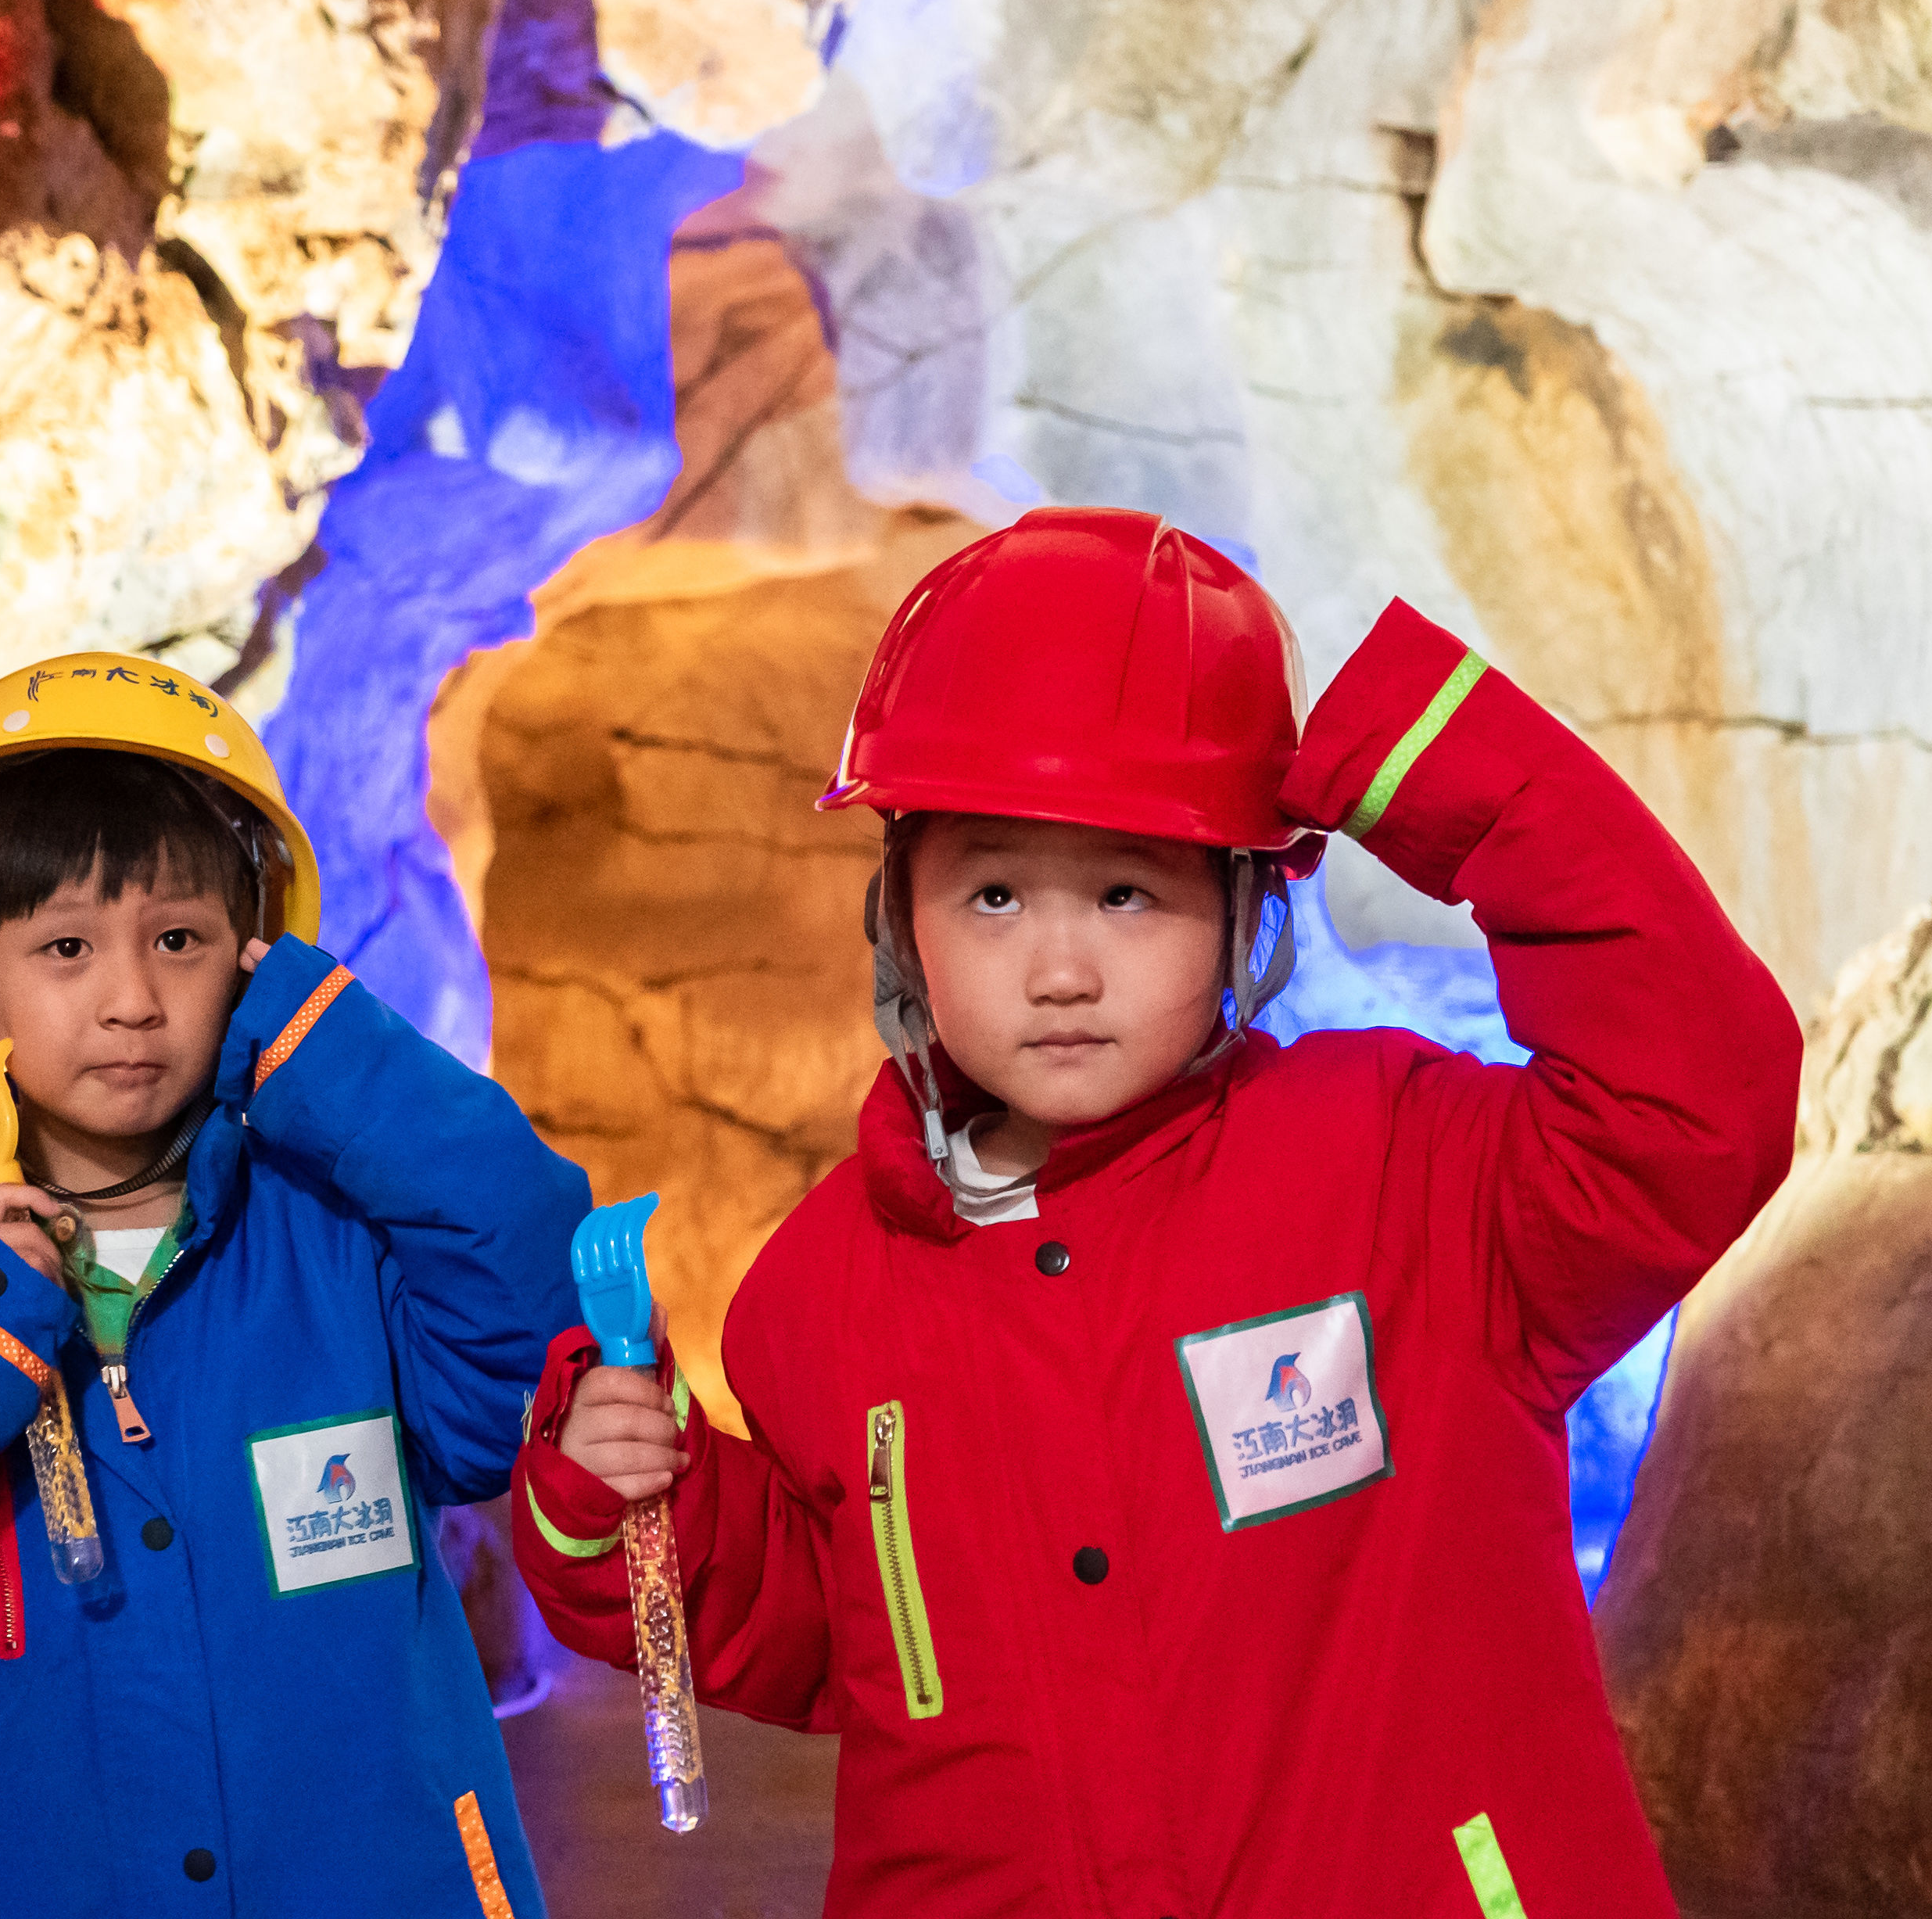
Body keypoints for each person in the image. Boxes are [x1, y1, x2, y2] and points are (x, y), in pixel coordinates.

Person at [513, 510, 1804, 1917]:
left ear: (1246, 909)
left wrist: (1445, 779)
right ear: (900, 920)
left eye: (1129, 892)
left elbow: (1700, 1099)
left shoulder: (1403, 1169)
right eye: (993, 893)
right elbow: (823, 1633)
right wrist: (631, 1501)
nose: (1061, 967)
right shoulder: (822, 1290)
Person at [0, 654, 583, 1919]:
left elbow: (528, 1358)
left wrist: (330, 1054)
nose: (133, 1000)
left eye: (179, 939)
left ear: (256, 961)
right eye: (64, 946)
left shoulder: (337, 1242)